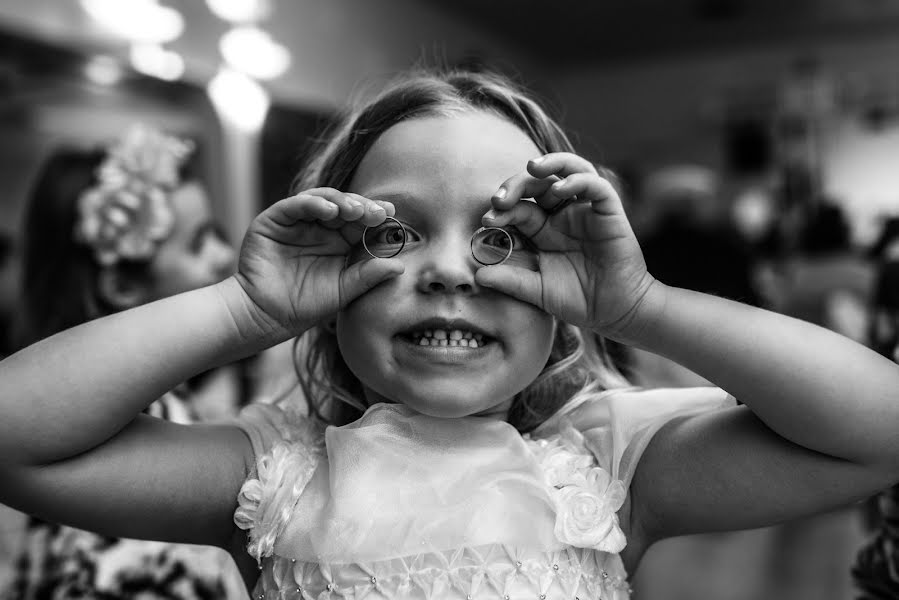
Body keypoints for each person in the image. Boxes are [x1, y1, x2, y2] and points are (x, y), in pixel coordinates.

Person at [0, 69, 898, 600]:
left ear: (561, 303)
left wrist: (641, 306)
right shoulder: (270, 474)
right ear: (334, 287)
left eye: (500, 239)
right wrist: (244, 310)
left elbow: (876, 428)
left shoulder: (602, 469)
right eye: (395, 232)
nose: (451, 271)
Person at [2, 124, 246, 599]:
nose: (223, 255)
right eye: (198, 243)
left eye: (216, 233)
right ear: (121, 287)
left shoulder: (80, 408)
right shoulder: (125, 419)